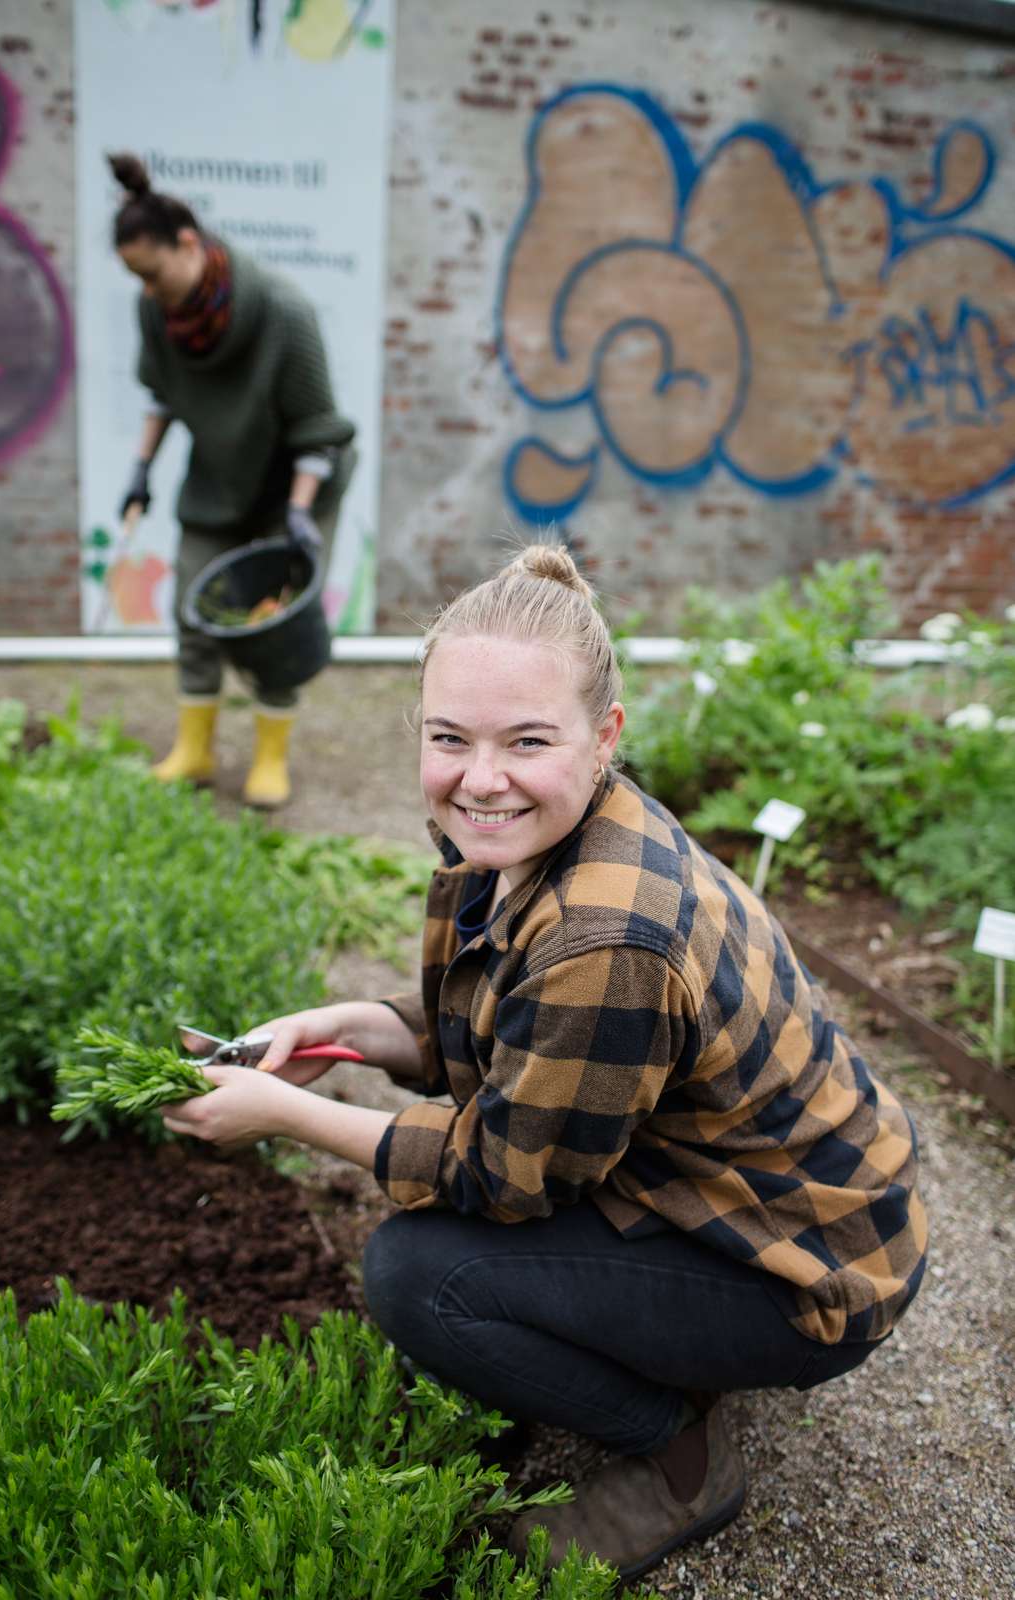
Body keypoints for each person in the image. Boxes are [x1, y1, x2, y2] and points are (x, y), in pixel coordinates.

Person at [163, 543, 928, 1582]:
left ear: (603, 735)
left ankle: (676, 1454)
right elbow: (488, 1030)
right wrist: (329, 1026)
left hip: (801, 1266)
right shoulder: (541, 838)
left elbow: (502, 1175)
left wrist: (286, 1116)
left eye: (526, 740)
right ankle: (658, 1345)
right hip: (767, 1194)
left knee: (420, 1274)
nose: (480, 779)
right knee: (453, 1243)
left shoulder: (605, 933)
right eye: (448, 739)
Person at [110, 152, 356, 808]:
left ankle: (270, 758)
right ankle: (194, 750)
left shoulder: (282, 312)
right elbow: (164, 395)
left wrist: (298, 520)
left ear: (188, 244)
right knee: (194, 601)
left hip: (295, 483)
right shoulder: (157, 313)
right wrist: (140, 470)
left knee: (272, 619)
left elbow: (318, 429)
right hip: (218, 477)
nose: (151, 290)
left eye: (156, 273)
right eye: (138, 278)